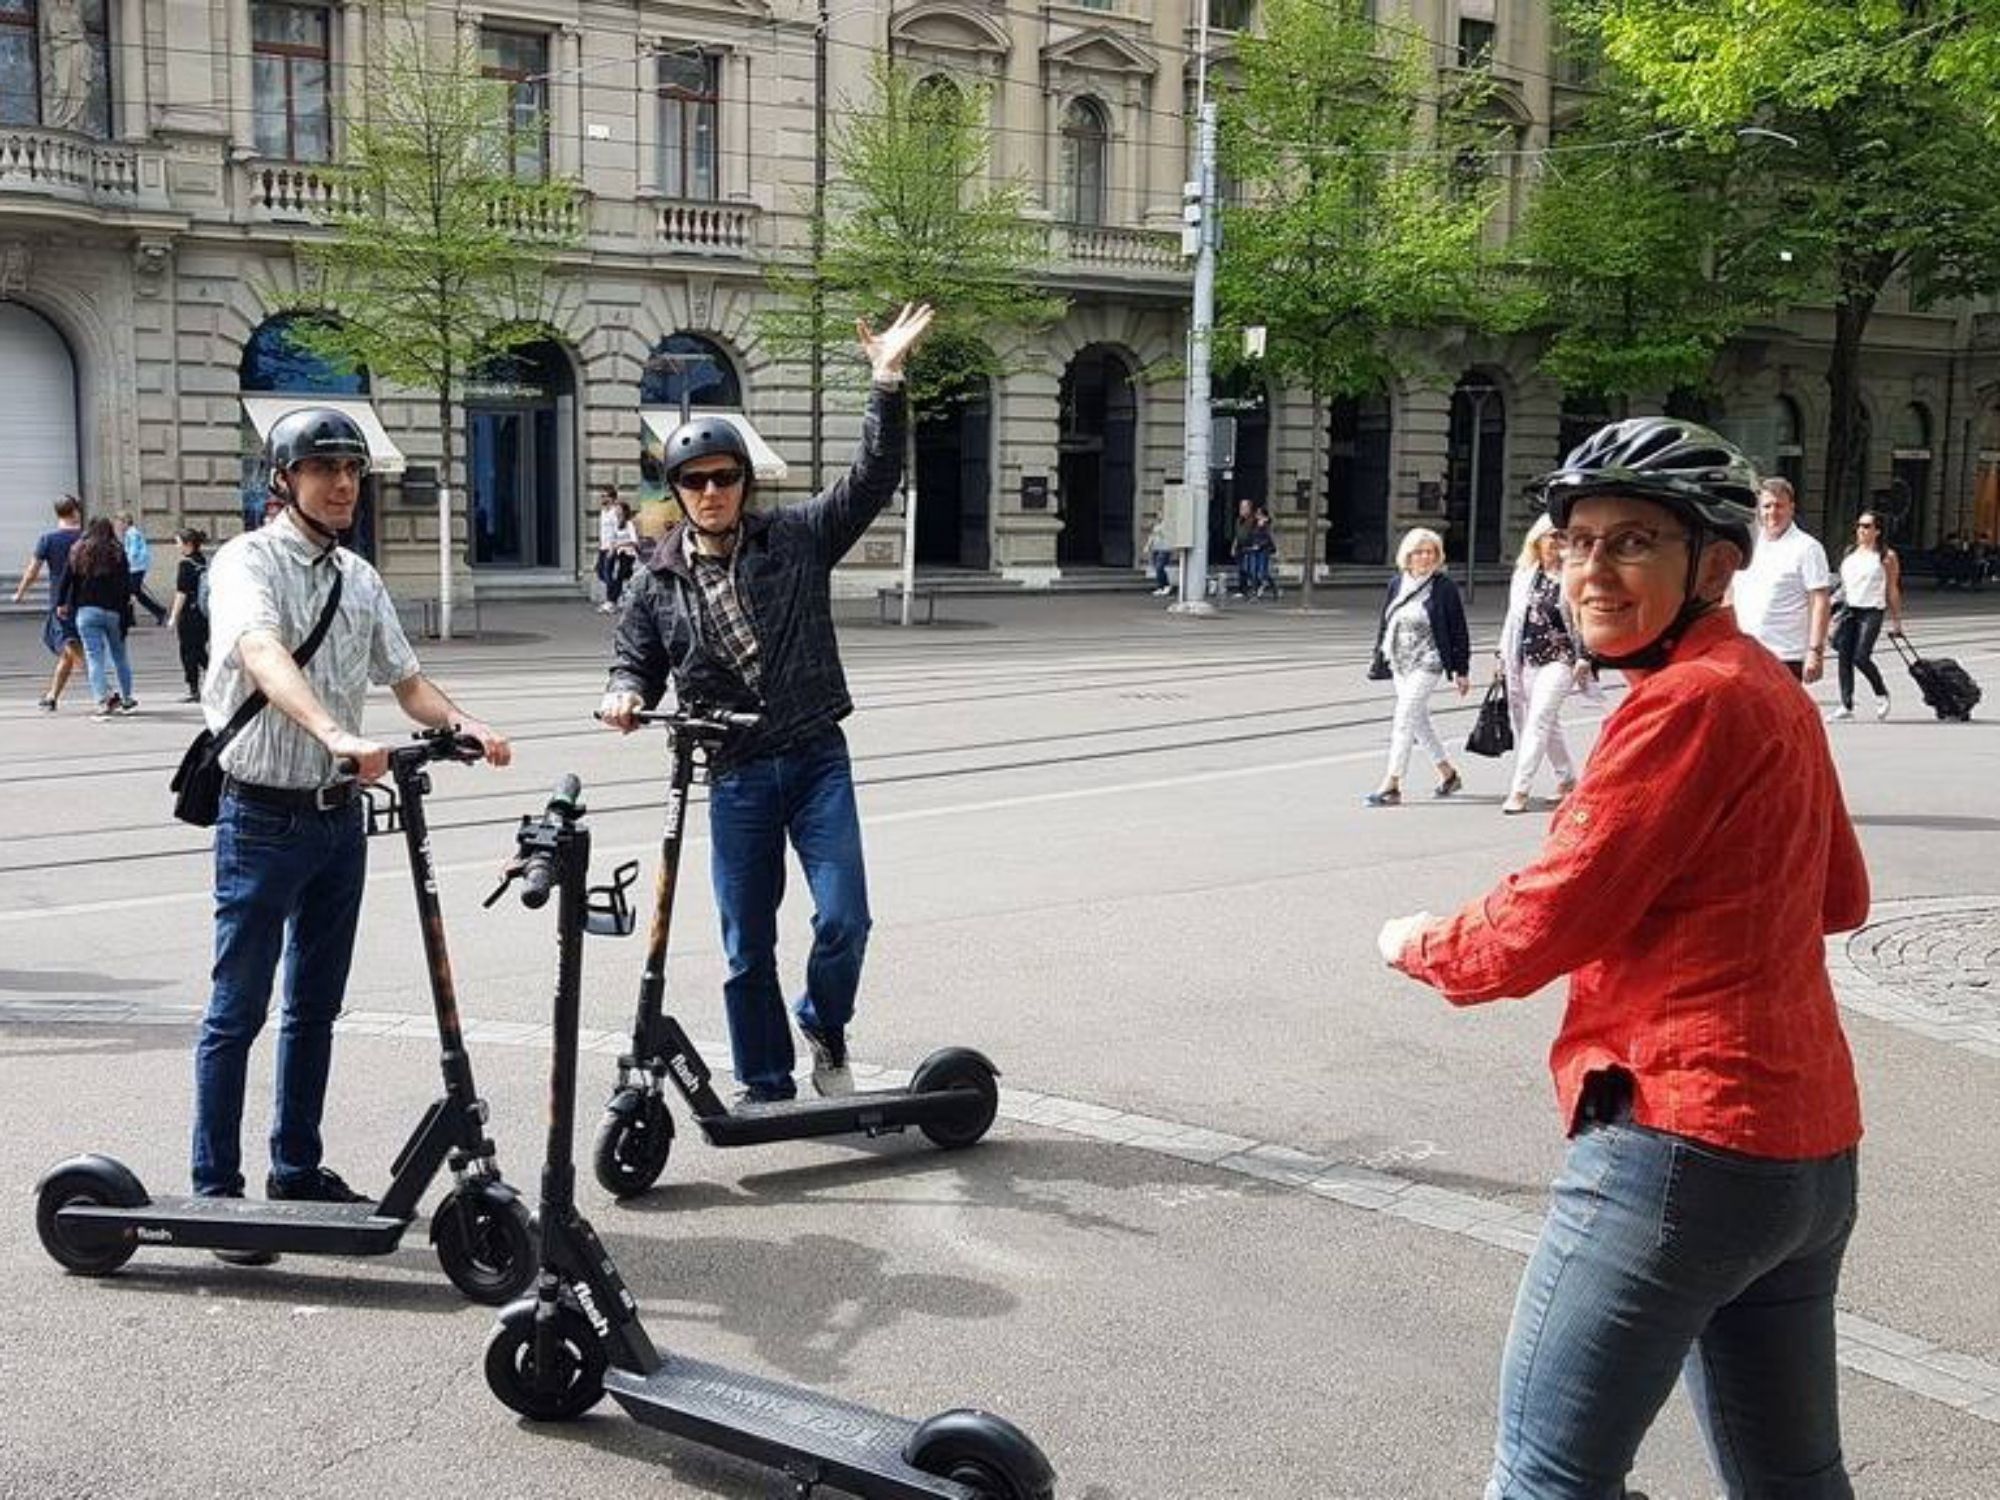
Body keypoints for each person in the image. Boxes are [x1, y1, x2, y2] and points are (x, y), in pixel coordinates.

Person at [1378, 418, 1867, 1500]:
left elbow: (1543, 922)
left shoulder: (1687, 701)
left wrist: (1417, 944)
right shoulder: (1765, 686)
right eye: (1576, 542)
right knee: (1793, 1480)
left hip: (1679, 1143)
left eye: (1634, 541)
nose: (1592, 570)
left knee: (1545, 1478)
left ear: (1716, 568)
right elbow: (1841, 894)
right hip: (1807, 1155)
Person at [599, 302, 935, 1105]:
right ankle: (766, 1082)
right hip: (737, 772)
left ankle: (823, 1020)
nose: (711, 491)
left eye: (724, 477)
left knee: (845, 918)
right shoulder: (653, 582)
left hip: (816, 758)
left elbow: (870, 479)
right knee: (746, 944)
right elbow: (635, 661)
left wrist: (886, 381)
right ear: (677, 492)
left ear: (744, 483)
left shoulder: (796, 539)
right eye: (695, 481)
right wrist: (625, 693)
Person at [192, 406, 511, 1237]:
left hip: (339, 824)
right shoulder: (247, 561)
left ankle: (295, 1168)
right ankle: (215, 1191)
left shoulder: (359, 577)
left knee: (314, 1008)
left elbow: (406, 681)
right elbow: (261, 652)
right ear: (283, 478)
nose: (341, 484)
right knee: (238, 1010)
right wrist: (334, 733)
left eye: (351, 470)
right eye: (322, 468)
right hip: (263, 817)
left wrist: (462, 723)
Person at [1364, 525, 1470, 806]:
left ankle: (1392, 783)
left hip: (1430, 660)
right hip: (1400, 659)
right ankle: (1448, 773)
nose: (1425, 557)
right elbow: (1386, 621)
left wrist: (1461, 670)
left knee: (1404, 716)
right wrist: (1378, 655)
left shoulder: (1444, 587)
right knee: (1419, 720)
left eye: (1431, 552)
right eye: (1419, 552)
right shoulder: (1396, 584)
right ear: (1407, 556)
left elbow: (1458, 629)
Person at [1496, 514, 1589, 814]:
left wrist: (1585, 656)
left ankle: (1519, 790)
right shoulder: (1525, 574)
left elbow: (1585, 618)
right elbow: (1513, 619)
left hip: (1561, 659)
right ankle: (1567, 779)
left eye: (1562, 537)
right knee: (1544, 722)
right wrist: (1501, 655)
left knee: (1538, 719)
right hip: (1527, 658)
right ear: (1536, 540)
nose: (1556, 542)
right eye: (1551, 536)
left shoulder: (1574, 574)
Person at [1731, 476, 1833, 679]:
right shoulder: (1749, 543)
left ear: (1791, 508)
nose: (1773, 512)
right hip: (1744, 651)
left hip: (1784, 655)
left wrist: (1815, 651)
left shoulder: (1807, 548)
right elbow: (1731, 593)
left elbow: (1820, 600)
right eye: (1767, 506)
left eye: (1779, 506)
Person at [1826, 510, 1903, 722]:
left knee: (1860, 656)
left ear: (1878, 531)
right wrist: (1830, 610)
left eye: (1867, 526)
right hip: (1848, 609)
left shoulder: (1887, 556)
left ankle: (1881, 693)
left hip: (1871, 610)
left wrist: (1896, 621)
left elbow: (1892, 589)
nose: (1861, 530)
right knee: (1844, 657)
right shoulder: (1850, 552)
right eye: (1859, 525)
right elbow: (1843, 584)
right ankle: (1846, 704)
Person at [58, 517, 138, 720]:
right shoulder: (117, 551)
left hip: (86, 611)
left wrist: (61, 603)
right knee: (120, 656)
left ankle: (102, 702)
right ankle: (127, 699)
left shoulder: (79, 549)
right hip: (114, 612)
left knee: (94, 658)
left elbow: (66, 579)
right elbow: (126, 584)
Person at [11, 494, 86, 710]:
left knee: (71, 647)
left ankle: (105, 691)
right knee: (68, 652)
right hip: (84, 600)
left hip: (60, 603)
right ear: (75, 512)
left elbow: (32, 571)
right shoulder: (85, 538)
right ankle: (52, 696)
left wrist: (20, 593)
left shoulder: (48, 539)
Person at [168, 527, 212, 702]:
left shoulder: (186, 565)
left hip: (189, 614)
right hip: (203, 613)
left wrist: (173, 616)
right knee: (199, 649)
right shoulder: (204, 562)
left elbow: (182, 593)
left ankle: (194, 689)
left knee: (188, 652)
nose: (176, 546)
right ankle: (217, 677)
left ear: (188, 544)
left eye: (178, 542)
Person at [115, 509, 170, 626]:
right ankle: (153, 613)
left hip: (136, 567)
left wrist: (125, 563)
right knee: (133, 592)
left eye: (119, 522)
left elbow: (133, 552)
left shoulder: (132, 534)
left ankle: (158, 612)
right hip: (136, 566)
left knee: (132, 592)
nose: (117, 525)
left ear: (125, 522)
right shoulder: (130, 533)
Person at [604, 500, 641, 611]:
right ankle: (615, 600)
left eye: (619, 509)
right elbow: (613, 538)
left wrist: (619, 545)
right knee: (617, 576)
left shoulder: (629, 524)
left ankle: (612, 601)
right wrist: (611, 549)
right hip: (619, 554)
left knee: (619, 577)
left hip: (629, 554)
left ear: (624, 511)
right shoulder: (616, 524)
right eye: (616, 509)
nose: (616, 511)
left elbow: (634, 541)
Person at [594, 484, 622, 613]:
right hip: (603, 547)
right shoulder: (603, 511)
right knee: (600, 572)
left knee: (607, 573)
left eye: (605, 496)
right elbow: (602, 530)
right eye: (602, 496)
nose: (602, 498)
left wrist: (613, 548)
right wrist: (600, 545)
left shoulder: (615, 512)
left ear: (612, 498)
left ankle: (611, 602)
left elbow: (617, 531)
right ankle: (616, 592)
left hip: (611, 547)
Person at [1143, 512, 1174, 596]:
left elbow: (1169, 535)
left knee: (1159, 567)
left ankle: (1167, 585)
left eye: (1161, 514)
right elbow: (1152, 536)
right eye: (1158, 514)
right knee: (1156, 568)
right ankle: (1160, 587)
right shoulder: (1156, 525)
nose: (1159, 516)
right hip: (1156, 548)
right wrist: (1147, 546)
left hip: (1165, 548)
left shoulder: (1168, 524)